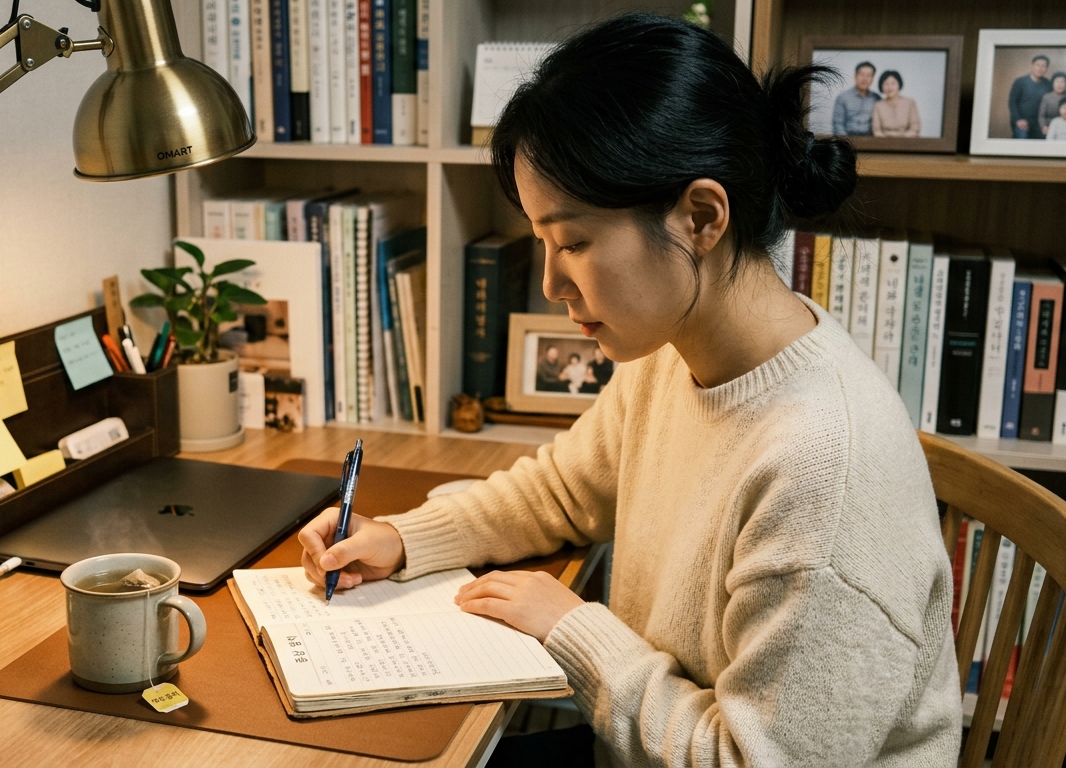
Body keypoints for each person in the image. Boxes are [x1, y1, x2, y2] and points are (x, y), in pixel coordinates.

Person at [298, 12, 960, 768]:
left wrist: (574, 630)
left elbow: (753, 760)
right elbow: (563, 492)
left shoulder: (823, 467)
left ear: (702, 216)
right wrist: (404, 538)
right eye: (544, 244)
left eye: (573, 242)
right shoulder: (675, 350)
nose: (550, 284)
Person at [832, 61, 881, 136]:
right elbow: (838, 124)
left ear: (872, 79)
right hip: (848, 139)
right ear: (855, 76)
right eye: (862, 74)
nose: (865, 78)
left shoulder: (876, 98)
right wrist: (846, 143)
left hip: (871, 141)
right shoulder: (843, 97)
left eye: (869, 75)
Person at [1007, 55, 1051, 139]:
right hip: (1021, 121)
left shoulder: (1048, 84)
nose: (1040, 68)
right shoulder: (1020, 82)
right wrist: (1018, 119)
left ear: (1046, 69)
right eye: (1038, 65)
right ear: (1032, 66)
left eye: (1043, 66)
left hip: (1039, 123)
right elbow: (1012, 102)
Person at [871, 70, 921, 137]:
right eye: (886, 84)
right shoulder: (878, 105)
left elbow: (915, 128)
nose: (889, 87)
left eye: (893, 83)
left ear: (899, 84)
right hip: (884, 143)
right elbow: (876, 130)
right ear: (882, 86)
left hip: (907, 142)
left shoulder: (910, 103)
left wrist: (901, 138)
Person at [1038, 71, 1066, 136]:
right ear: (1052, 83)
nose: (1059, 84)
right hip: (1050, 127)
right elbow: (1041, 116)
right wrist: (1044, 127)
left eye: (1062, 82)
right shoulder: (1047, 97)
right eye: (1057, 82)